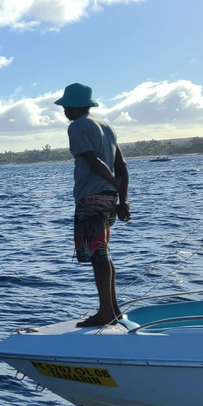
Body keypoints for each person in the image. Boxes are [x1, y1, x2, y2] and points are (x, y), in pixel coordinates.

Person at [54, 82, 131, 328]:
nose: (64, 110)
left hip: (92, 196)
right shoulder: (107, 127)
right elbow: (123, 166)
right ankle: (114, 310)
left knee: (98, 255)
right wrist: (123, 198)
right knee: (103, 253)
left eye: (66, 106)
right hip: (109, 198)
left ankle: (105, 313)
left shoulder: (77, 127)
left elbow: (94, 162)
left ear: (75, 107)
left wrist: (113, 181)